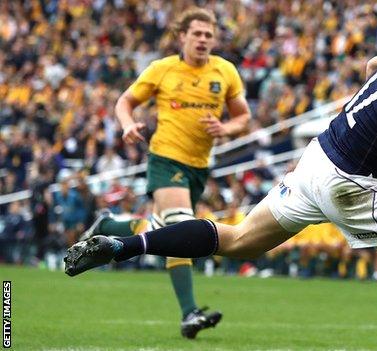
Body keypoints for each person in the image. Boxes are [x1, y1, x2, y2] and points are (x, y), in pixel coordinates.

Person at [66, 7, 377, 350]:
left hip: (319, 158)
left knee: (239, 241)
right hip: (353, 184)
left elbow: (375, 65)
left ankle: (120, 247)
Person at [77, 8, 251, 339]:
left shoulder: (225, 72)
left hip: (199, 166)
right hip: (165, 159)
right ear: (181, 36)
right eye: (196, 33)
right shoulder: (163, 69)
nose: (203, 39)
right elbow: (124, 102)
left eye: (208, 34)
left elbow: (244, 116)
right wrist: (127, 126)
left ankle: (111, 226)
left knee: (162, 231)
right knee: (181, 226)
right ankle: (189, 313)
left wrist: (225, 127)